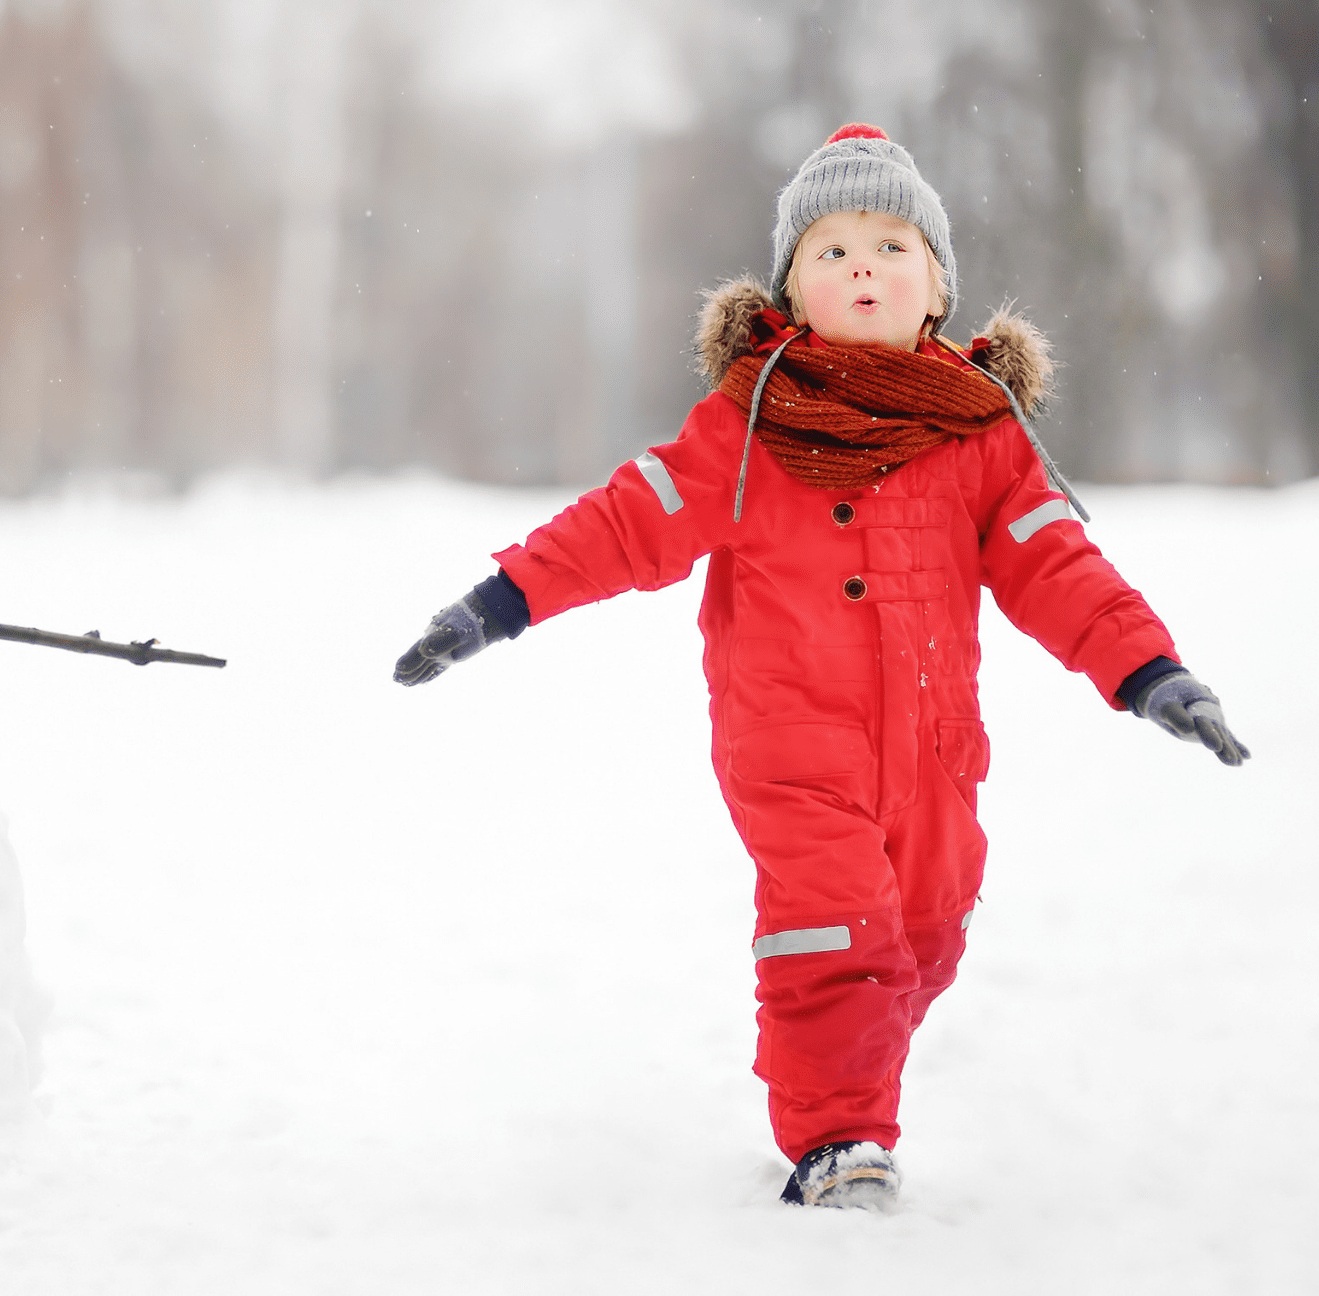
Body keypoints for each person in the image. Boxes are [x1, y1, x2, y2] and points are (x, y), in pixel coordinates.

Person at [391, 124, 1249, 1211]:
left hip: (935, 755)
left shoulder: (981, 436)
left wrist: (1153, 673)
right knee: (838, 933)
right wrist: (498, 603)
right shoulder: (747, 426)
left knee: (923, 934)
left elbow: (1056, 565)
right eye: (831, 251)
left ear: (937, 286)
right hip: (791, 748)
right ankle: (840, 1142)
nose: (861, 268)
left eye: (890, 246)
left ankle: (857, 1057)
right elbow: (629, 520)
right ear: (792, 290)